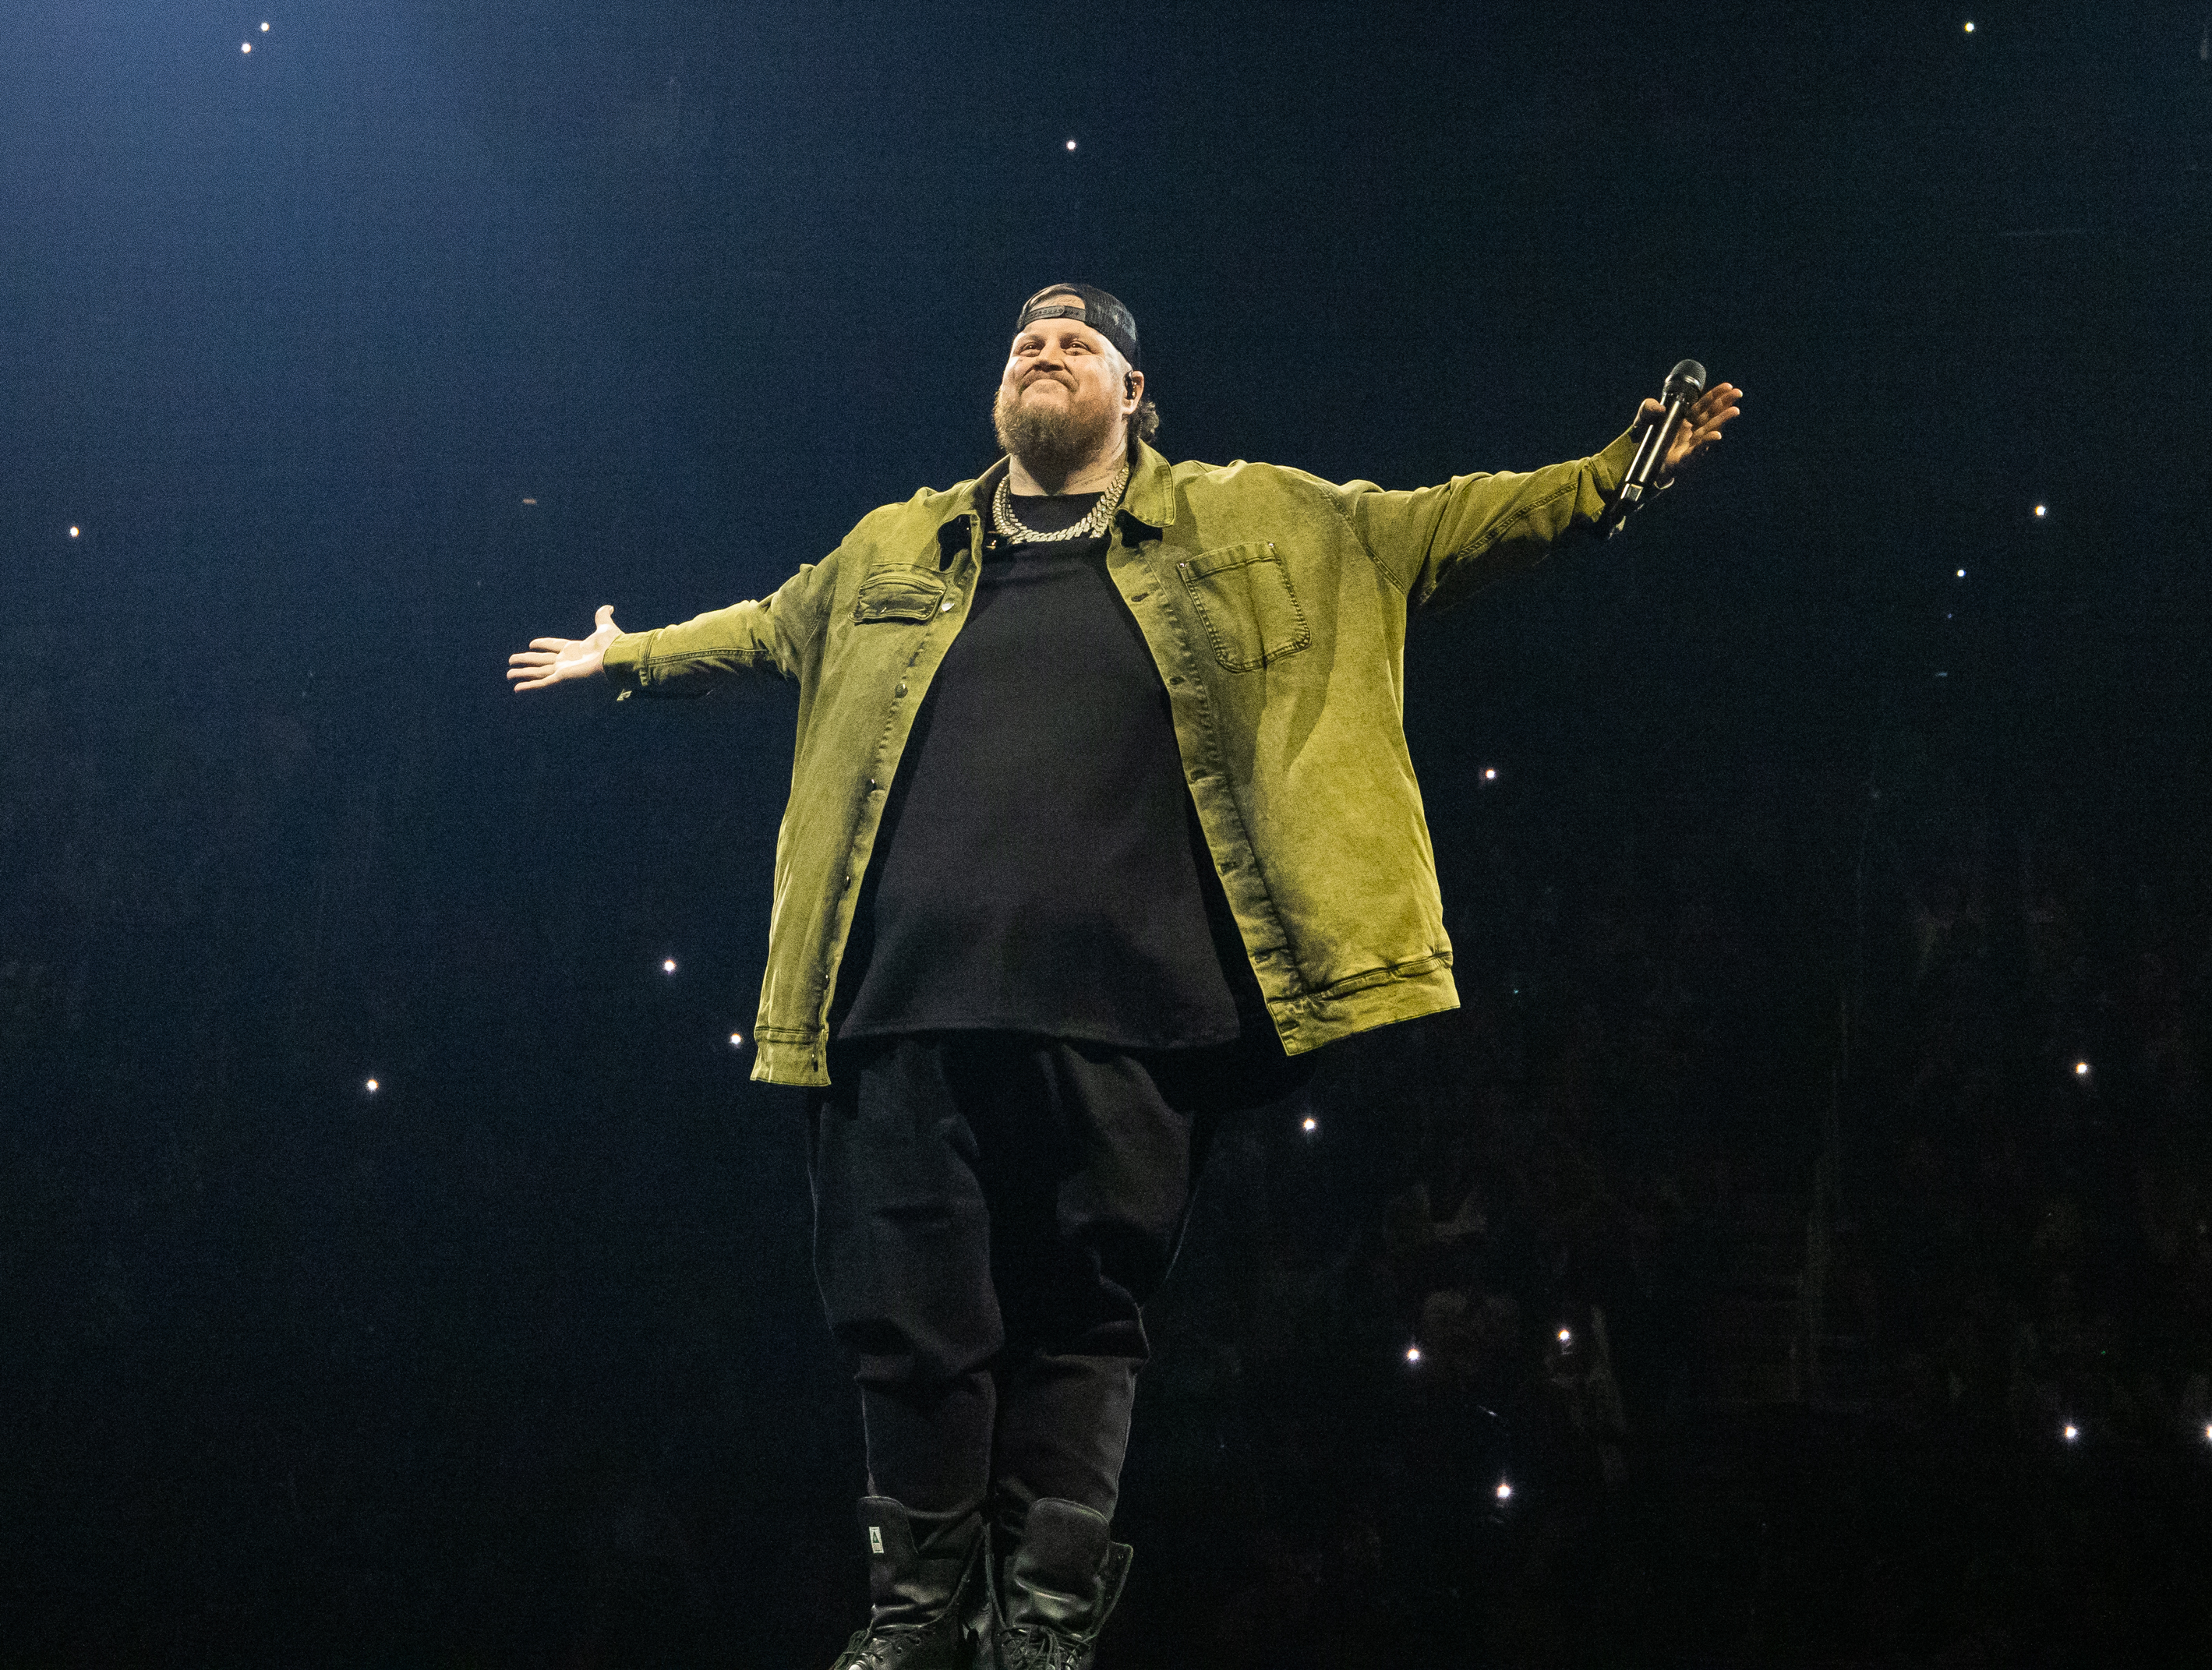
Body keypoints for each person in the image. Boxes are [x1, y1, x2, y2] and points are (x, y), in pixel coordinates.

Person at [508, 283, 1742, 1668]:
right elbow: (774, 626)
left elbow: (1436, 527)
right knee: (910, 1322)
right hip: (899, 1002)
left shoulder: (1258, 522)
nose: (1043, 350)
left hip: (1131, 1011)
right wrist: (632, 657)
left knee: (1082, 1319)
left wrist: (1603, 485)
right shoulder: (895, 545)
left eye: (1076, 342)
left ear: (1133, 396)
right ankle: (917, 1618)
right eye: (1025, 340)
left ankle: (1041, 1624)